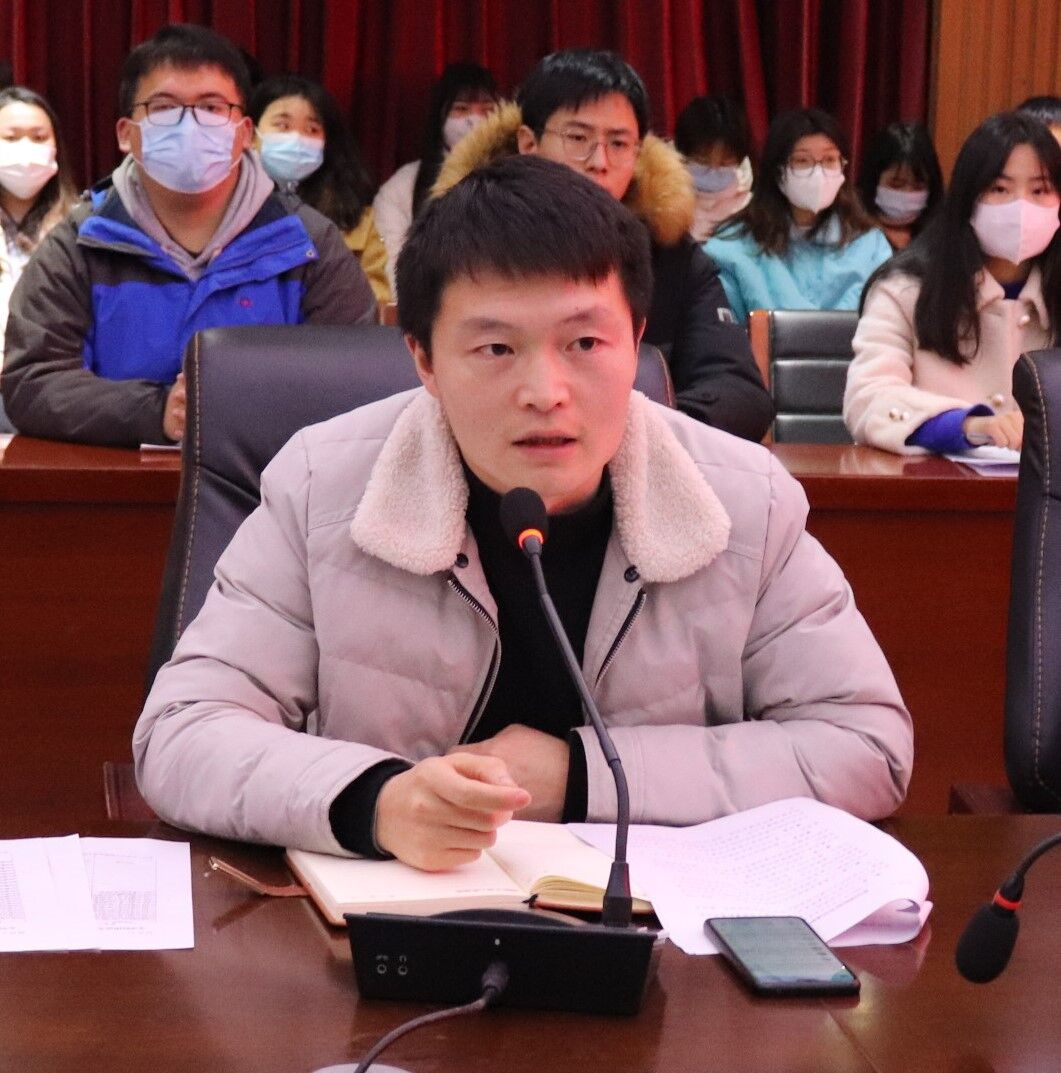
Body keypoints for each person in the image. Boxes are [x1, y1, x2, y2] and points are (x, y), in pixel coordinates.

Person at [133, 154, 912, 868]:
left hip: (650, 933)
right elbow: (182, 732)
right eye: (496, 350)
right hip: (392, 923)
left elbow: (864, 747)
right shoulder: (320, 485)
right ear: (423, 358)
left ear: (637, 341)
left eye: (585, 343)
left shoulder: (743, 500)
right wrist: (377, 799)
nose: (545, 392)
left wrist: (580, 775)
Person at [1, 24, 375, 448]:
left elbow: (357, 376)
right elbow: (31, 380)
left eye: (211, 107)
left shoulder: (307, 243)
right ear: (126, 133)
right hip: (116, 478)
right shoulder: (80, 243)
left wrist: (245, 410)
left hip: (269, 477)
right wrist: (158, 411)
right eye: (164, 107)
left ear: (244, 132)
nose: (189, 124)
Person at [435, 49, 773, 442]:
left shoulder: (669, 253)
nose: (600, 161)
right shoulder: (465, 245)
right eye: (578, 138)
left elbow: (740, 394)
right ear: (529, 143)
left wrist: (625, 439)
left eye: (618, 143)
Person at [844, 112, 1061, 454]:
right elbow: (868, 398)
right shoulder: (905, 289)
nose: (1021, 206)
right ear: (967, 197)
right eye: (1000, 189)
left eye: (1040, 190)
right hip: (937, 480)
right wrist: (968, 425)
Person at [705, 107, 893, 325]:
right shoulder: (733, 247)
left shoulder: (870, 245)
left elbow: (886, 327)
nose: (818, 172)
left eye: (829, 159)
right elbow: (723, 334)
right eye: (803, 161)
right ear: (778, 171)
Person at [249, 74, 390, 304]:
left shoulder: (358, 221)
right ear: (250, 133)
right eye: (283, 126)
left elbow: (376, 302)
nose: (297, 138)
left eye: (312, 129)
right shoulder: (223, 208)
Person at [373, 62, 498, 290]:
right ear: (440, 117)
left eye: (487, 110)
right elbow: (391, 263)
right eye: (461, 109)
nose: (474, 121)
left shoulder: (522, 179)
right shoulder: (404, 185)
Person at [0, 86, 78, 433]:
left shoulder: (80, 226)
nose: (25, 149)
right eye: (10, 137)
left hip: (54, 396)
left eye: (38, 137)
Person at [673, 94, 754, 241]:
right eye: (703, 160)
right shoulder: (661, 207)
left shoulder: (754, 212)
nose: (713, 170)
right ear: (681, 154)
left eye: (725, 162)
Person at [858, 121, 944, 251]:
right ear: (874, 181)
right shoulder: (850, 232)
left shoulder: (942, 237)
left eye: (918, 187)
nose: (907, 193)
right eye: (896, 185)